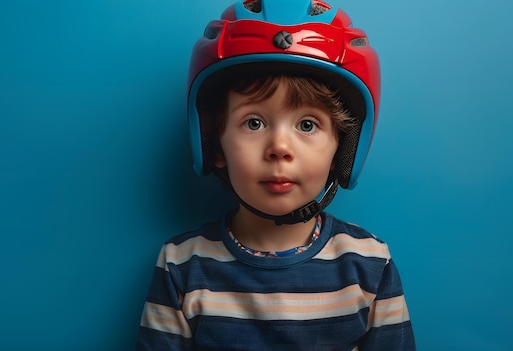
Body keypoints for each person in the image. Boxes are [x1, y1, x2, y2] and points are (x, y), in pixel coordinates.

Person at [136, 0, 415, 349]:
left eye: (307, 124)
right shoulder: (181, 266)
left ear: (341, 150)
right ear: (215, 144)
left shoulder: (369, 264)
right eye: (254, 122)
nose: (279, 147)